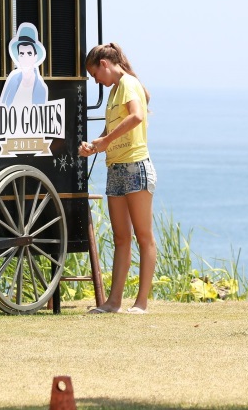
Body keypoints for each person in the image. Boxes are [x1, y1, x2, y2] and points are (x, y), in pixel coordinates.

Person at [78, 42, 156, 314]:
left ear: (104, 64)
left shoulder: (128, 84)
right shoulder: (114, 91)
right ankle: (113, 303)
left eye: (94, 74)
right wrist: (95, 145)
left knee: (144, 236)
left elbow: (136, 116)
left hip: (135, 166)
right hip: (116, 168)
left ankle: (141, 303)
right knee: (121, 237)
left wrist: (106, 140)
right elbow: (111, 129)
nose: (95, 80)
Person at [0, 22, 49, 107]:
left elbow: (41, 113)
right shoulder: (12, 80)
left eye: (29, 54)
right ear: (18, 57)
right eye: (21, 54)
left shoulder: (40, 88)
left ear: (35, 57)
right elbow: (2, 107)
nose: (25, 59)